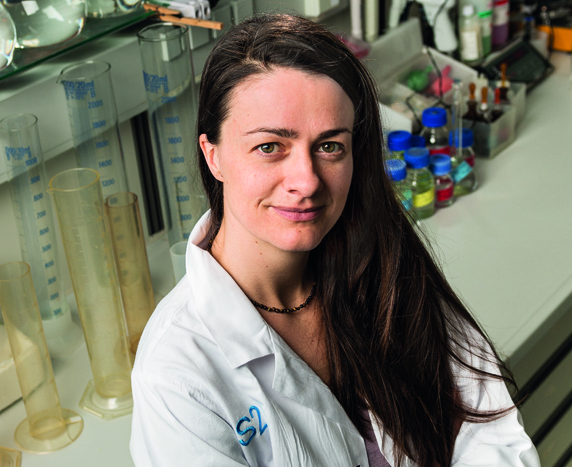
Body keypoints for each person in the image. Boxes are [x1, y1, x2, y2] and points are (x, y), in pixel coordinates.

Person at [129, 13, 539, 467]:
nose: (306, 181)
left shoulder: (379, 258)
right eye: (270, 147)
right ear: (214, 156)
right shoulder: (176, 375)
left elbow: (489, 431)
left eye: (329, 146)